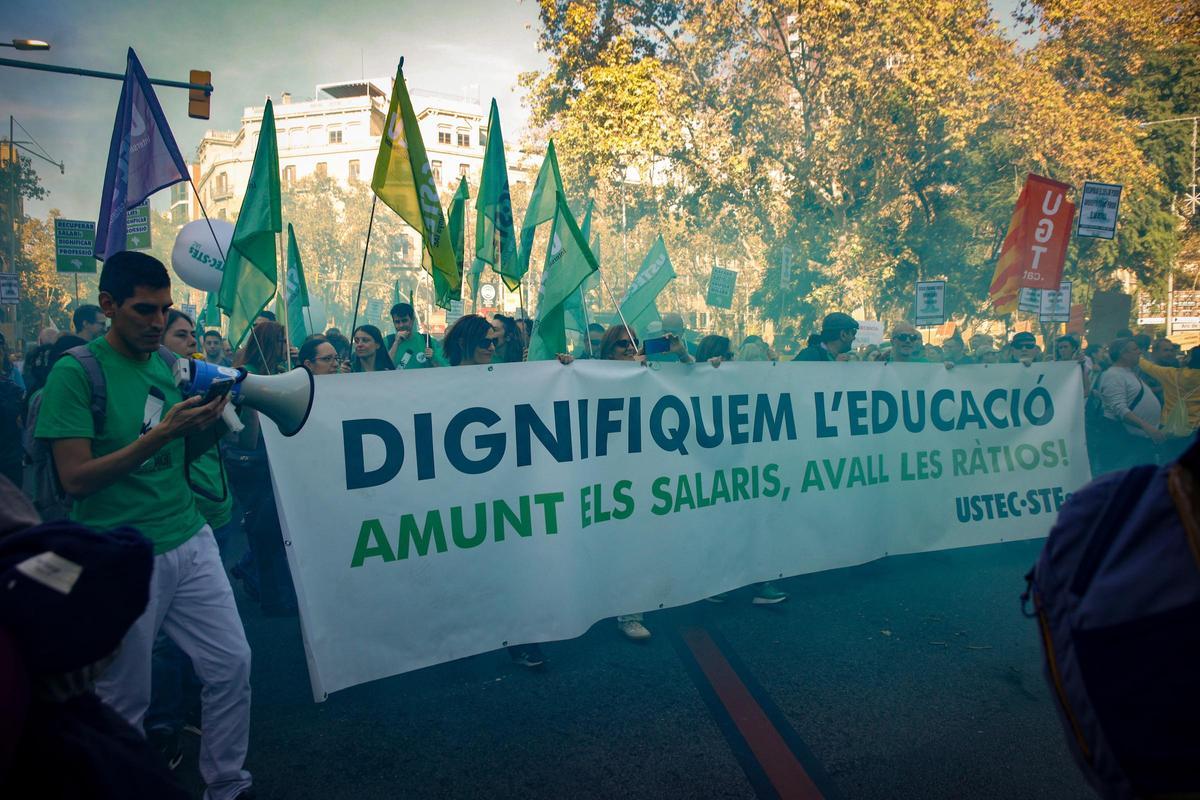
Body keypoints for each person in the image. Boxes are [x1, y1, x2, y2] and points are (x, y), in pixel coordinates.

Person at [33, 251, 254, 800]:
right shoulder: (75, 372)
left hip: (189, 535)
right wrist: (160, 435)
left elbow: (176, 454)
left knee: (231, 666)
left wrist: (208, 426)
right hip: (121, 553)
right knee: (123, 699)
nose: (158, 323)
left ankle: (227, 785)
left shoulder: (161, 363)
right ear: (108, 306)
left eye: (165, 310)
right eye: (143, 311)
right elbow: (77, 479)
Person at [1096, 337, 1163, 473]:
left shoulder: (1127, 373)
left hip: (1138, 442)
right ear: (1123, 354)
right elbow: (1119, 408)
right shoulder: (1113, 375)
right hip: (1125, 444)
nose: (1139, 352)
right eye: (1135, 349)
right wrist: (1147, 427)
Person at [1139, 346, 1200, 461]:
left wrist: (1138, 357)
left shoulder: (1171, 374)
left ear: (1189, 359)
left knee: (1168, 462)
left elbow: (1149, 367)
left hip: (1170, 427)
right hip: (1195, 429)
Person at [385, 302, 445, 369]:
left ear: (412, 320)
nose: (401, 325)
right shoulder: (387, 341)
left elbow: (443, 369)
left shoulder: (427, 341)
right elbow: (383, 368)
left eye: (404, 321)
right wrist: (396, 343)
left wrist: (433, 358)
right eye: (397, 322)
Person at [794, 313, 858, 361]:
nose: (854, 338)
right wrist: (834, 367)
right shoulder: (809, 355)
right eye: (853, 333)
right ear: (843, 335)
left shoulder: (838, 358)